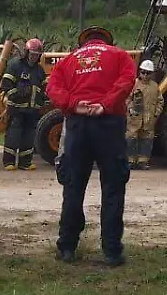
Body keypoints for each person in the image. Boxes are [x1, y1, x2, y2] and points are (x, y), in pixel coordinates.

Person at [46, 26, 137, 266]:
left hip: (78, 125)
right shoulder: (120, 56)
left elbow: (52, 88)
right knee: (113, 188)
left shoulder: (67, 61)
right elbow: (127, 81)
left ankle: (66, 247)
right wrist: (105, 105)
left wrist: (73, 104)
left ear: (83, 42)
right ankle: (111, 251)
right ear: (107, 40)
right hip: (109, 125)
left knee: (73, 187)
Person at [1, 38, 46, 170]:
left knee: (29, 136)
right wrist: (17, 94)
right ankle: (9, 162)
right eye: (32, 54)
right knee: (13, 135)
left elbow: (43, 89)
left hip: (32, 110)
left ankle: (25, 162)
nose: (34, 57)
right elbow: (6, 85)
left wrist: (41, 100)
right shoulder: (15, 65)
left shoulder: (39, 70)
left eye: (36, 55)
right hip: (16, 109)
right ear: (26, 53)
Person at [126, 60, 163, 169]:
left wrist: (156, 113)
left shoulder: (155, 86)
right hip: (134, 118)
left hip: (149, 119)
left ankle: (143, 162)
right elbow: (127, 98)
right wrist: (130, 109)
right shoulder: (134, 84)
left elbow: (160, 101)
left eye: (148, 73)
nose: (145, 75)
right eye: (143, 72)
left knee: (146, 140)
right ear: (140, 72)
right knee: (131, 138)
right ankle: (130, 161)